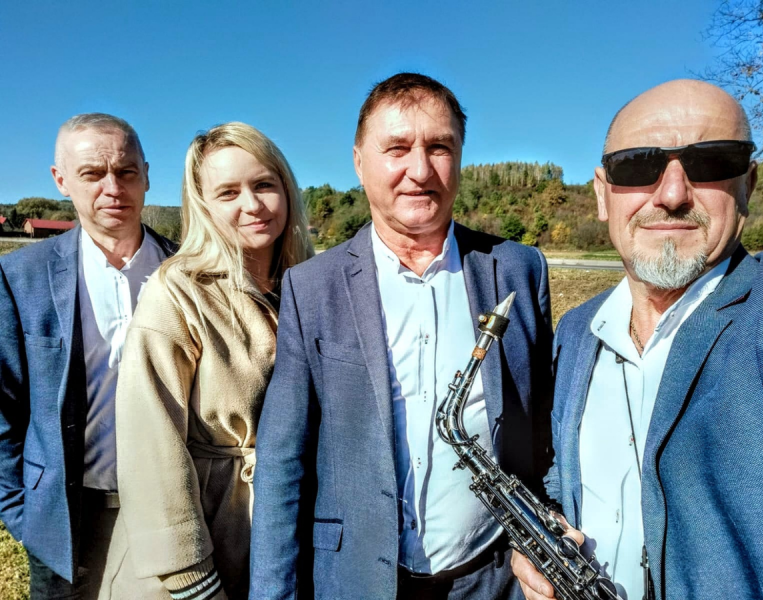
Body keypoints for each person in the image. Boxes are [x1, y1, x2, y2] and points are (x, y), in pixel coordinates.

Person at [250, 73, 554, 600]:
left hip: (493, 579)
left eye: (439, 147)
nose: (420, 170)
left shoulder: (519, 269)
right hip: (356, 580)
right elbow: (282, 463)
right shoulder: (312, 286)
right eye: (397, 149)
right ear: (358, 162)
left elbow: (547, 429)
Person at [512, 79, 763, 600]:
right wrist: (543, 535)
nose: (671, 195)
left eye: (711, 162)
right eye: (637, 166)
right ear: (602, 194)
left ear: (749, 185)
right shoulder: (577, 330)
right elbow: (564, 476)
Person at [100, 122, 314, 600]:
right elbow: (149, 448)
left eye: (264, 184)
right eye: (228, 192)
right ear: (203, 204)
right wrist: (190, 577)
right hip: (197, 553)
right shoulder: (177, 292)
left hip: (282, 540)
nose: (252, 205)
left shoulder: (306, 284)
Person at [0, 114, 176, 598]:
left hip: (173, 511)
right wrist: (21, 511)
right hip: (62, 518)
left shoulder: (187, 271)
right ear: (61, 181)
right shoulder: (20, 278)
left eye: (126, 171)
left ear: (146, 175)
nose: (112, 188)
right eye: (92, 174)